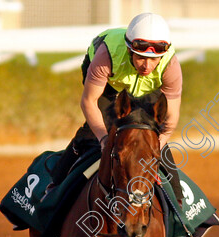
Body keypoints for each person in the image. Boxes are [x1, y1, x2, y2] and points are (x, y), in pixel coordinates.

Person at [49, 12, 184, 204]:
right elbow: (88, 102)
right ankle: (53, 188)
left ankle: (179, 203)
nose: (146, 65)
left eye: (154, 59)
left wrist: (155, 148)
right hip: (109, 82)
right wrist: (104, 139)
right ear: (130, 50)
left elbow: (170, 120)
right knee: (93, 131)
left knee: (150, 134)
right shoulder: (106, 55)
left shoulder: (170, 65)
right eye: (140, 57)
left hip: (146, 87)